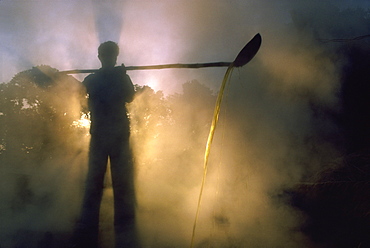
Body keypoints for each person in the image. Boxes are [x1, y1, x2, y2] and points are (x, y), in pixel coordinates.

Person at [71, 41, 138, 248]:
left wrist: (118, 76)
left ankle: (114, 232)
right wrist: (119, 75)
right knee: (112, 183)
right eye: (110, 56)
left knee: (104, 183)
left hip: (111, 135)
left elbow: (129, 97)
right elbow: (130, 96)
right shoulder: (101, 78)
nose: (109, 58)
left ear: (101, 57)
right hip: (105, 135)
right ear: (111, 57)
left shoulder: (96, 79)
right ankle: (118, 232)